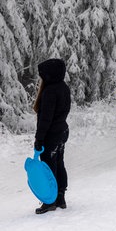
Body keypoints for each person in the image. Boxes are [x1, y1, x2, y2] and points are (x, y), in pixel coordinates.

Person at [33, 58, 71, 214]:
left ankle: (50, 201)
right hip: (62, 131)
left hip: (51, 134)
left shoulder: (49, 91)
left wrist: (39, 138)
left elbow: (45, 119)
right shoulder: (63, 87)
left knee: (48, 167)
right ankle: (60, 197)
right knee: (59, 163)